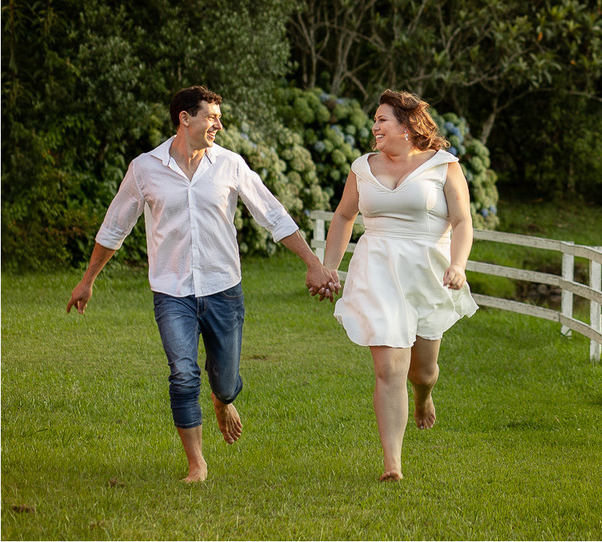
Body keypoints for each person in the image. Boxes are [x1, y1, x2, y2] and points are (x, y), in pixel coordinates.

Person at [66, 86, 341, 483]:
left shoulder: (230, 164)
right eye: (212, 117)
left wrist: (313, 263)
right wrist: (87, 279)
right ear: (185, 118)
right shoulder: (144, 169)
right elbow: (115, 228)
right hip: (171, 291)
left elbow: (272, 215)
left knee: (225, 380)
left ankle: (223, 398)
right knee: (182, 372)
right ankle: (197, 463)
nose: (219, 124)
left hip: (223, 288)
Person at [322, 89, 478, 481]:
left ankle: (424, 396)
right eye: (374, 121)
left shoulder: (444, 165)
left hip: (427, 271)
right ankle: (393, 464)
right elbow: (343, 218)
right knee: (390, 368)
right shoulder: (362, 167)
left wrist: (458, 265)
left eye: (381, 120)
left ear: (406, 127)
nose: (374, 127)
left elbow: (462, 222)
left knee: (421, 371)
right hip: (376, 270)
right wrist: (329, 269)